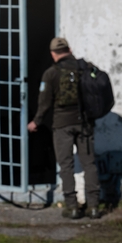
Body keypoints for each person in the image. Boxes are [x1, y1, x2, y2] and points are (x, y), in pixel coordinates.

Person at [28, 37, 101, 220]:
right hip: (84, 123)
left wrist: (36, 121)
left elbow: (44, 103)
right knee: (89, 164)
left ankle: (72, 206)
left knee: (66, 165)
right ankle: (93, 206)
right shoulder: (85, 68)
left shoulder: (51, 74)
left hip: (62, 125)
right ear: (69, 49)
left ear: (53, 54)